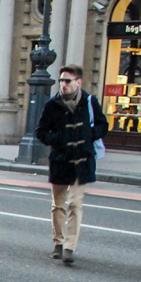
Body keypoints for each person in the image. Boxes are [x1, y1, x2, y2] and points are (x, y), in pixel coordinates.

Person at [35, 64, 108, 265]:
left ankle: (69, 247)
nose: (63, 84)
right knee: (58, 205)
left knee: (75, 203)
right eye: (61, 81)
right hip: (60, 161)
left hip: (82, 161)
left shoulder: (90, 102)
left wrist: (88, 135)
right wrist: (59, 139)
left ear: (78, 82)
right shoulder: (52, 105)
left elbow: (103, 125)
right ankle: (58, 243)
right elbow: (41, 132)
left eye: (67, 81)